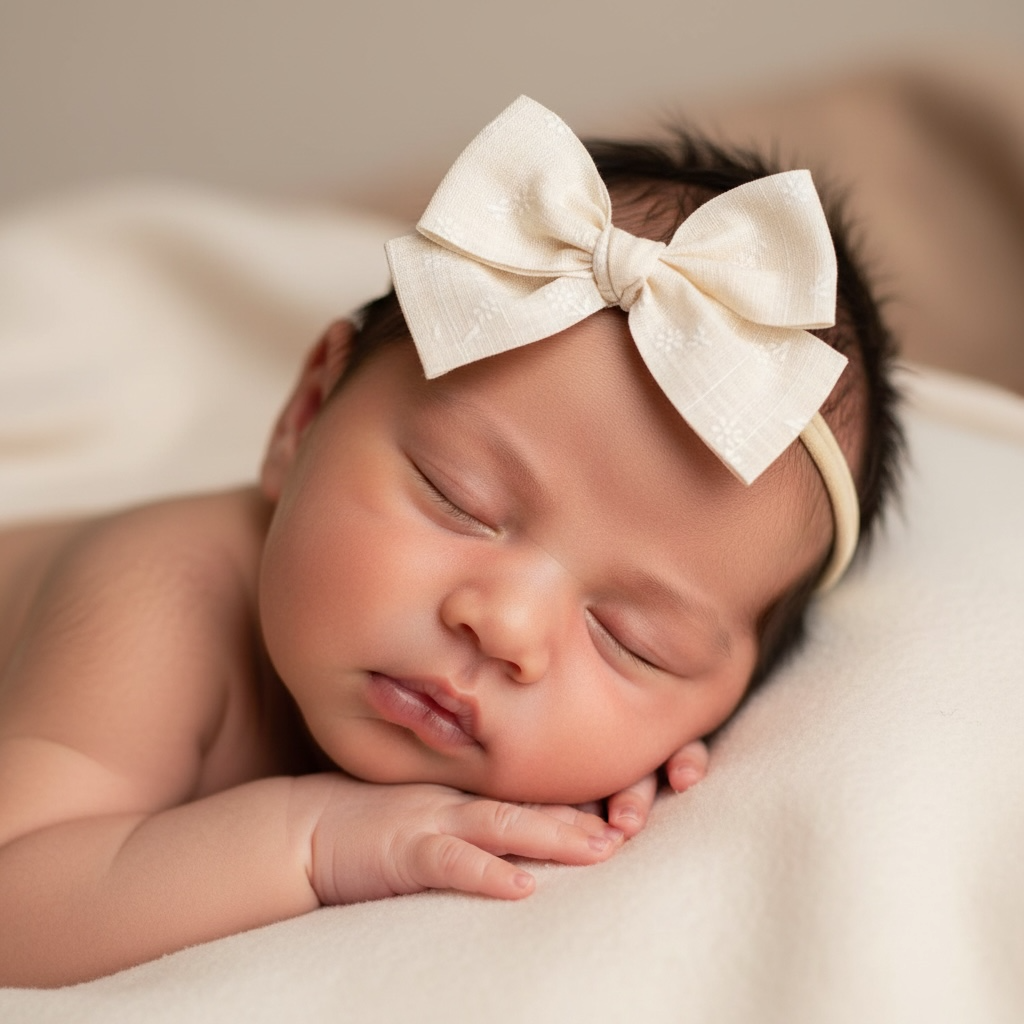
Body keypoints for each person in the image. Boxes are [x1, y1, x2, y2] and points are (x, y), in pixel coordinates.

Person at [0, 97, 901, 986]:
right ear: (305, 415)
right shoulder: (156, 592)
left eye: (632, 641)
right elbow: (20, 903)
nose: (505, 625)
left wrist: (642, 766)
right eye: (457, 500)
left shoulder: (633, 732)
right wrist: (312, 840)